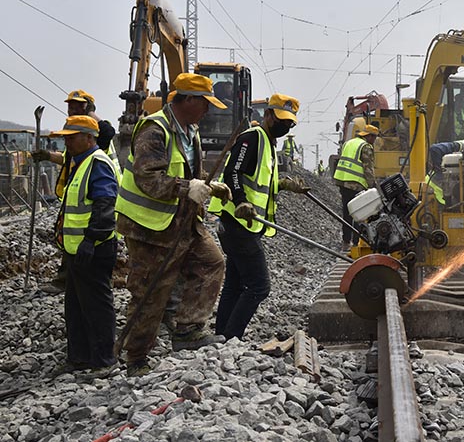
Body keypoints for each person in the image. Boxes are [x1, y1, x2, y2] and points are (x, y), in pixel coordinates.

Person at [115, 73, 233, 377]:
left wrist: (210, 186)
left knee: (211, 262)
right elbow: (147, 178)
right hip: (149, 225)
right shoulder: (156, 130)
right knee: (152, 292)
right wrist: (186, 188)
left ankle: (187, 329)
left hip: (183, 221)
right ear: (188, 99)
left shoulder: (189, 132)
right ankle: (137, 357)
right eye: (205, 103)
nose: (209, 110)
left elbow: (190, 173)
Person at [208, 94, 309, 340]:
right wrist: (240, 200)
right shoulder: (252, 138)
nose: (285, 126)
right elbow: (233, 172)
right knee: (259, 286)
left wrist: (285, 184)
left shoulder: (268, 143)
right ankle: (233, 336)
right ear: (267, 115)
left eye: (290, 123)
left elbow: (262, 182)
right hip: (238, 222)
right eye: (282, 120)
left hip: (245, 225)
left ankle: (223, 335)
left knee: (235, 283)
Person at [32, 90, 121, 295]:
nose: (71, 108)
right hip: (83, 197)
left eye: (77, 105)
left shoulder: (98, 134)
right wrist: (47, 155)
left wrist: (91, 114)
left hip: (99, 197)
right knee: (73, 241)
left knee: (88, 245)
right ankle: (69, 280)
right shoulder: (79, 143)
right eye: (70, 105)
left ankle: (71, 280)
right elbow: (66, 158)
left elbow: (108, 131)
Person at [50, 116, 119, 377]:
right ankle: (79, 357)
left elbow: (105, 204)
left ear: (89, 138)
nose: (67, 141)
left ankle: (104, 360)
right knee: (76, 304)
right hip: (77, 250)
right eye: (66, 137)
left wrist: (91, 239)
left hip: (94, 249)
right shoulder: (80, 163)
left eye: (72, 136)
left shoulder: (97, 163)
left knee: (97, 305)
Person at [333, 124, 378, 251]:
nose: (374, 141)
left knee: (347, 213)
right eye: (374, 138)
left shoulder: (349, 143)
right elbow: (368, 169)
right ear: (369, 136)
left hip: (342, 181)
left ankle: (345, 242)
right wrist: (372, 186)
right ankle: (356, 243)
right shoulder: (366, 147)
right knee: (360, 213)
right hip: (356, 184)